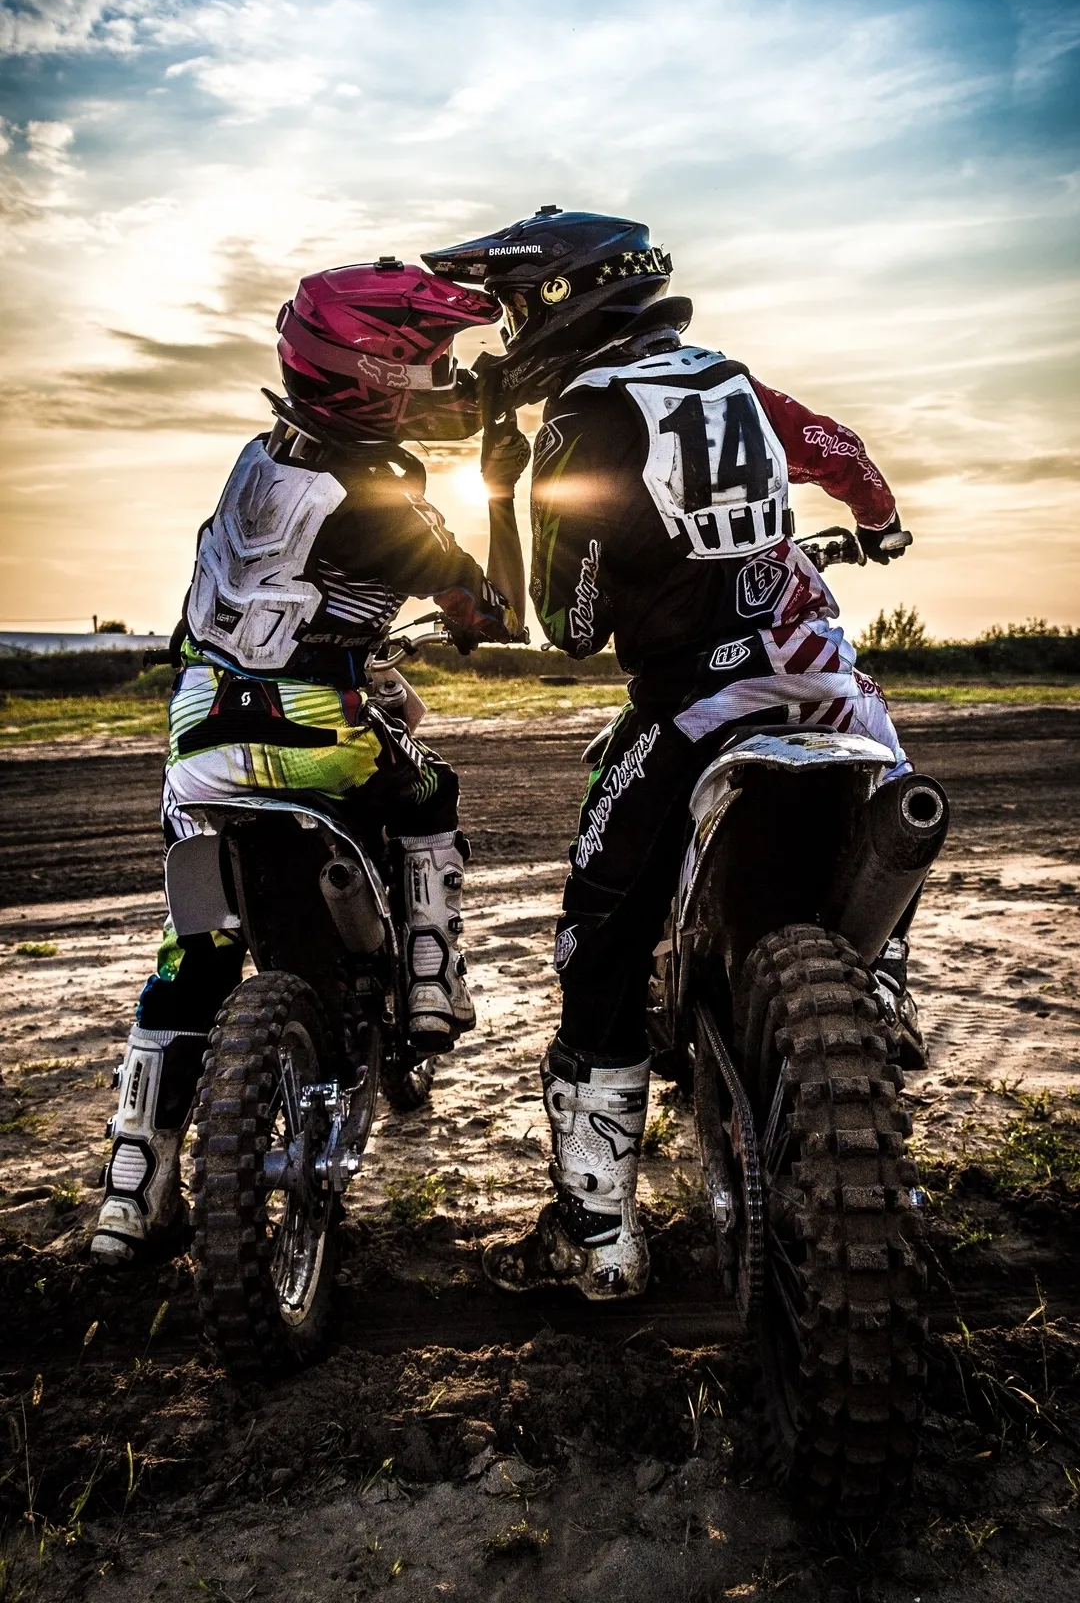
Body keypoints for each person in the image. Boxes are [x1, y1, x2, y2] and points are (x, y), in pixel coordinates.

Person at [422, 208, 920, 1302]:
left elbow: (571, 624)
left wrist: (506, 492)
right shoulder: (730, 378)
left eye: (513, 308)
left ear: (560, 303)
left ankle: (597, 1237)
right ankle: (884, 988)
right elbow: (834, 448)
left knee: (597, 943)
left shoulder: (584, 418)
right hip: (827, 688)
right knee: (893, 815)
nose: (507, 332)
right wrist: (877, 521)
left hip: (696, 706)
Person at [92, 257, 529, 1266]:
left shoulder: (259, 462)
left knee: (193, 953)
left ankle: (131, 1186)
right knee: (430, 789)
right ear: (377, 377)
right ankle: (432, 979)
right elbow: (491, 615)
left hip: (200, 740)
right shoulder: (383, 507)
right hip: (312, 734)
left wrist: (480, 403)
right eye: (428, 365)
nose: (443, 380)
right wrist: (502, 491)